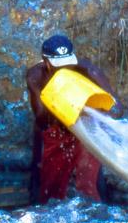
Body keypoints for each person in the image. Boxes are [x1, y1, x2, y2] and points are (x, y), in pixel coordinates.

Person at [26, 35, 119, 204]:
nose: (65, 69)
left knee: (88, 185)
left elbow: (115, 107)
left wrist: (88, 110)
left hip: (87, 130)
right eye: (58, 67)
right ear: (45, 62)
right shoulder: (36, 76)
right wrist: (59, 98)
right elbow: (40, 117)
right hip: (55, 131)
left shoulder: (89, 71)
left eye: (68, 64)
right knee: (51, 188)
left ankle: (97, 217)